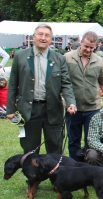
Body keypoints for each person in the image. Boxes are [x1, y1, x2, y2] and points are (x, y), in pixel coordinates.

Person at [6, 23, 77, 154]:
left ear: (51, 39)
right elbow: (12, 84)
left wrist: (71, 102)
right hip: (29, 110)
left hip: (53, 109)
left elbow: (66, 83)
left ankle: (54, 174)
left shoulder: (59, 59)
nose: (43, 38)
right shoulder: (20, 56)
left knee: (55, 148)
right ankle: (32, 174)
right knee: (30, 149)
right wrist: (10, 109)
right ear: (33, 36)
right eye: (40, 34)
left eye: (47, 35)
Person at [64, 31, 103, 161]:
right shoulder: (67, 58)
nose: (88, 50)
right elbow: (61, 81)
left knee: (92, 142)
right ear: (81, 43)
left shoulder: (98, 61)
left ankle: (90, 169)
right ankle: (74, 168)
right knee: (74, 141)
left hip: (93, 108)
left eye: (92, 47)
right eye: (86, 46)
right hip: (73, 107)